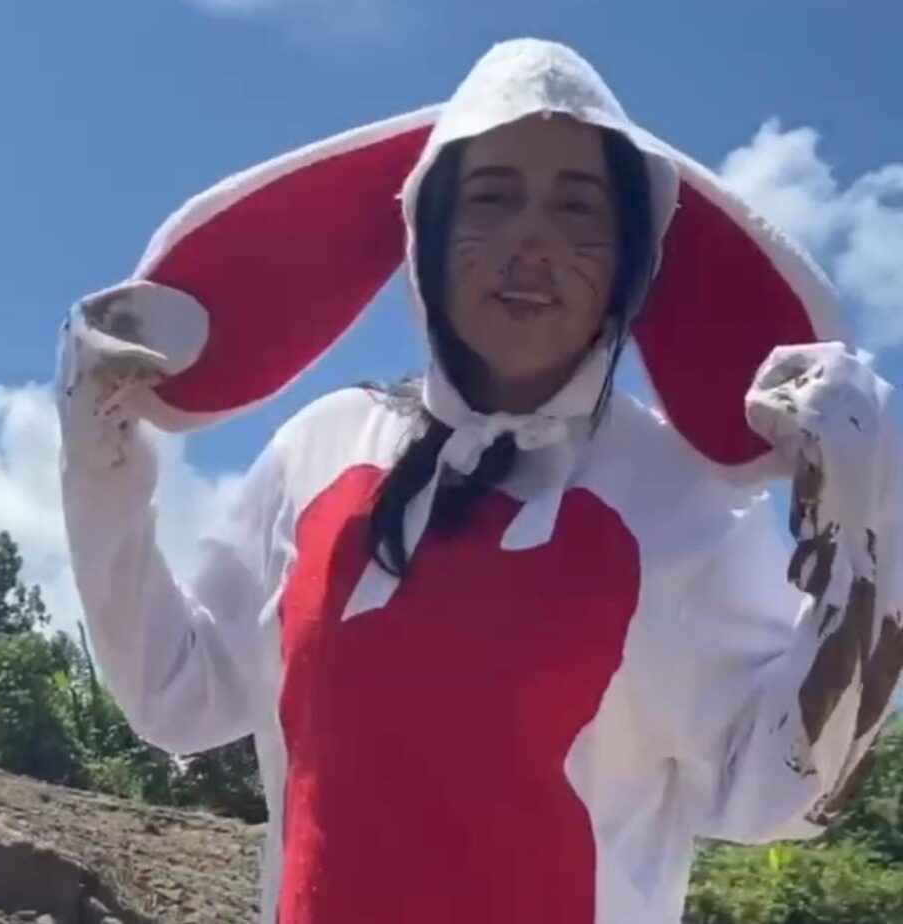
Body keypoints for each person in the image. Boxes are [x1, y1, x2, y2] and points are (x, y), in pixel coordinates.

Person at [56, 38, 903, 924]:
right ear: (427, 228)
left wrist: (866, 534)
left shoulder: (681, 503)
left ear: (631, 252)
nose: (531, 243)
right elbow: (178, 693)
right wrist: (100, 454)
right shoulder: (323, 451)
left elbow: (775, 792)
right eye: (492, 197)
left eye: (577, 207)